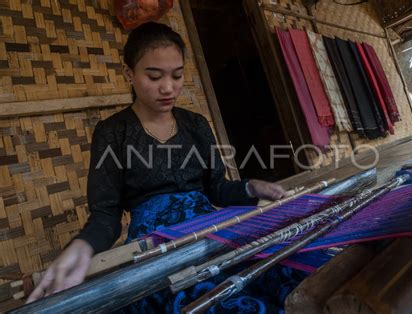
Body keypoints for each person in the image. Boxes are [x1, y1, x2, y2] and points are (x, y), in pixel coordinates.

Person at [26, 22, 293, 310]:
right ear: (129, 72)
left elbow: (216, 188)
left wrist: (250, 186)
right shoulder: (113, 132)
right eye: (154, 76)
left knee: (279, 276)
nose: (168, 87)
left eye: (177, 75)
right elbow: (106, 215)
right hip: (156, 248)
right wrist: (83, 245)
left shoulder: (196, 125)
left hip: (210, 233)